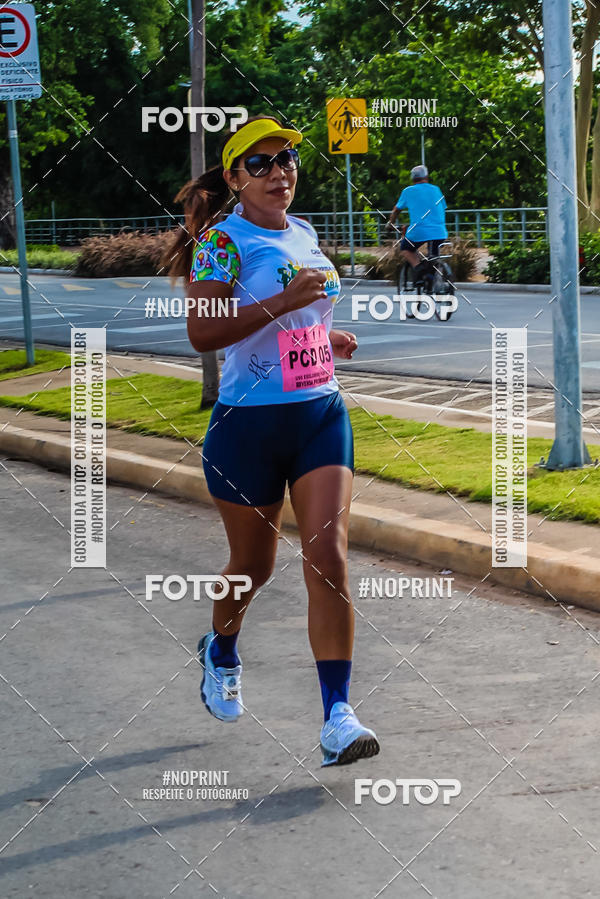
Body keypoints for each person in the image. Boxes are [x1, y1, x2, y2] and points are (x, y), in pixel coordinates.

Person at [164, 115, 380, 767]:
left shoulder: (307, 234)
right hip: (247, 430)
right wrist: (283, 305)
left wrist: (322, 338)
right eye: (259, 163)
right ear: (234, 178)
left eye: (285, 158)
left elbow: (299, 321)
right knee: (253, 569)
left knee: (329, 556)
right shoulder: (220, 244)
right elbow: (203, 335)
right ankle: (220, 648)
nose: (278, 170)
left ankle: (338, 715)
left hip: (319, 413)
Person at [386, 164, 448, 280]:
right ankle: (434, 279)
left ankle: (419, 268)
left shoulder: (408, 191)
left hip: (419, 231)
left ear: (413, 179)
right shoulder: (436, 189)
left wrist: (390, 223)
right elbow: (442, 208)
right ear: (427, 177)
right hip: (440, 232)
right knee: (433, 256)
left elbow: (396, 210)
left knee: (406, 248)